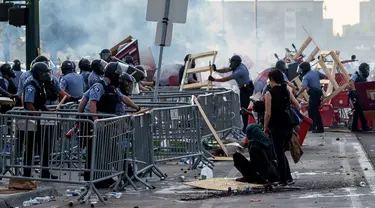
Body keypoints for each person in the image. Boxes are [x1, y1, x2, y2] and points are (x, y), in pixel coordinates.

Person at [83, 62, 140, 188]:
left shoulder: (113, 88)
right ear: (113, 75)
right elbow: (92, 103)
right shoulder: (99, 86)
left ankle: (110, 177)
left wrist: (138, 108)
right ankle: (97, 180)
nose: (119, 79)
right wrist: (96, 121)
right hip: (99, 124)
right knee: (98, 153)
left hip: (108, 124)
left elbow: (124, 98)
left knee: (110, 151)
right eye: (118, 76)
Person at [263, 69, 300, 186]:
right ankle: (288, 177)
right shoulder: (287, 91)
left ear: (271, 79)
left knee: (278, 154)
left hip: (276, 127)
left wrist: (265, 127)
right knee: (281, 153)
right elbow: (298, 106)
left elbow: (267, 113)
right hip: (287, 126)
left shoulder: (269, 94)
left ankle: (283, 180)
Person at [22, 62, 58, 179]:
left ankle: (45, 172)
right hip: (32, 122)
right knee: (30, 147)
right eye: (43, 73)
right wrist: (38, 115)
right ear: (37, 74)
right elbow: (28, 104)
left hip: (41, 120)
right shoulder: (31, 86)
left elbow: (41, 103)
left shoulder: (41, 84)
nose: (46, 76)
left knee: (45, 146)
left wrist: (47, 111)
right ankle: (26, 173)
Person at [209, 55, 254, 133]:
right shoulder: (238, 66)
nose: (231, 64)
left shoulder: (240, 71)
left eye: (232, 62)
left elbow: (226, 78)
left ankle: (246, 128)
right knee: (243, 108)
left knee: (244, 108)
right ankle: (245, 127)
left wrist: (214, 79)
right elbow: (226, 69)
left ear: (236, 62)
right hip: (244, 88)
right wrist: (216, 70)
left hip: (246, 90)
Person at [296, 62, 326, 133]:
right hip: (318, 93)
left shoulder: (305, 77)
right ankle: (312, 126)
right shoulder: (315, 72)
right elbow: (324, 76)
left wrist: (297, 94)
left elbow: (304, 87)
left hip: (313, 94)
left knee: (314, 111)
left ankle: (319, 128)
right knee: (311, 109)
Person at [349, 63, 372, 132]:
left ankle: (354, 127)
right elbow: (351, 82)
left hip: (360, 96)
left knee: (357, 111)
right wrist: (354, 90)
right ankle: (364, 125)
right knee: (359, 109)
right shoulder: (356, 74)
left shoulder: (364, 77)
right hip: (354, 95)